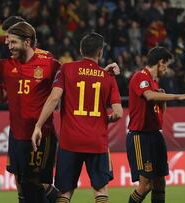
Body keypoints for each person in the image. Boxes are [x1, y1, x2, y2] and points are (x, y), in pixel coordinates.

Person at [0, 21, 60, 203]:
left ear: (27, 42)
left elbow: (73, 78)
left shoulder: (49, 64)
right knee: (23, 182)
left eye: (13, 43)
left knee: (33, 182)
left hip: (41, 136)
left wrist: (101, 72)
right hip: (17, 137)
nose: (9, 47)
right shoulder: (6, 66)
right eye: (8, 43)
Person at [31, 32, 123, 203]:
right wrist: (105, 119)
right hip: (97, 142)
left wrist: (38, 125)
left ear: (81, 50)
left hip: (70, 142)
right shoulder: (108, 78)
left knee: (64, 193)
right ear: (100, 52)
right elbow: (118, 113)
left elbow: (54, 98)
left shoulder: (66, 69)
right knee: (100, 190)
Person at [126, 47, 185, 203]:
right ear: (160, 62)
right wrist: (180, 96)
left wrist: (162, 98)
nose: (167, 69)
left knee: (160, 182)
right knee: (145, 185)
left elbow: (160, 112)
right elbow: (148, 96)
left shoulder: (154, 84)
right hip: (140, 135)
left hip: (156, 134)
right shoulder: (140, 76)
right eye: (166, 65)